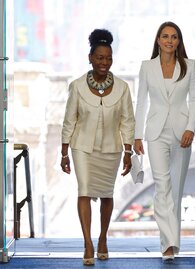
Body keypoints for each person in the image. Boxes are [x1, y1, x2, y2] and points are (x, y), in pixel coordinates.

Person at [60, 29, 135, 266]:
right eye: (100, 57)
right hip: (81, 147)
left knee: (107, 193)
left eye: (108, 58)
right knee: (84, 189)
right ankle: (88, 243)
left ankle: (103, 238)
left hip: (111, 148)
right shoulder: (77, 86)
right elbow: (69, 120)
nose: (104, 62)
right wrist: (64, 153)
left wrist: (128, 151)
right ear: (90, 57)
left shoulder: (123, 88)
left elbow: (127, 120)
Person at [133, 21, 195, 262]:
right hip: (155, 132)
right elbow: (141, 101)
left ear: (178, 41)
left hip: (182, 132)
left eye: (174, 37)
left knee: (175, 191)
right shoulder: (147, 67)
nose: (169, 40)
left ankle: (172, 242)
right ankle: (168, 244)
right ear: (158, 40)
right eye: (165, 36)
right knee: (162, 186)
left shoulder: (189, 66)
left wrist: (191, 129)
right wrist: (137, 135)